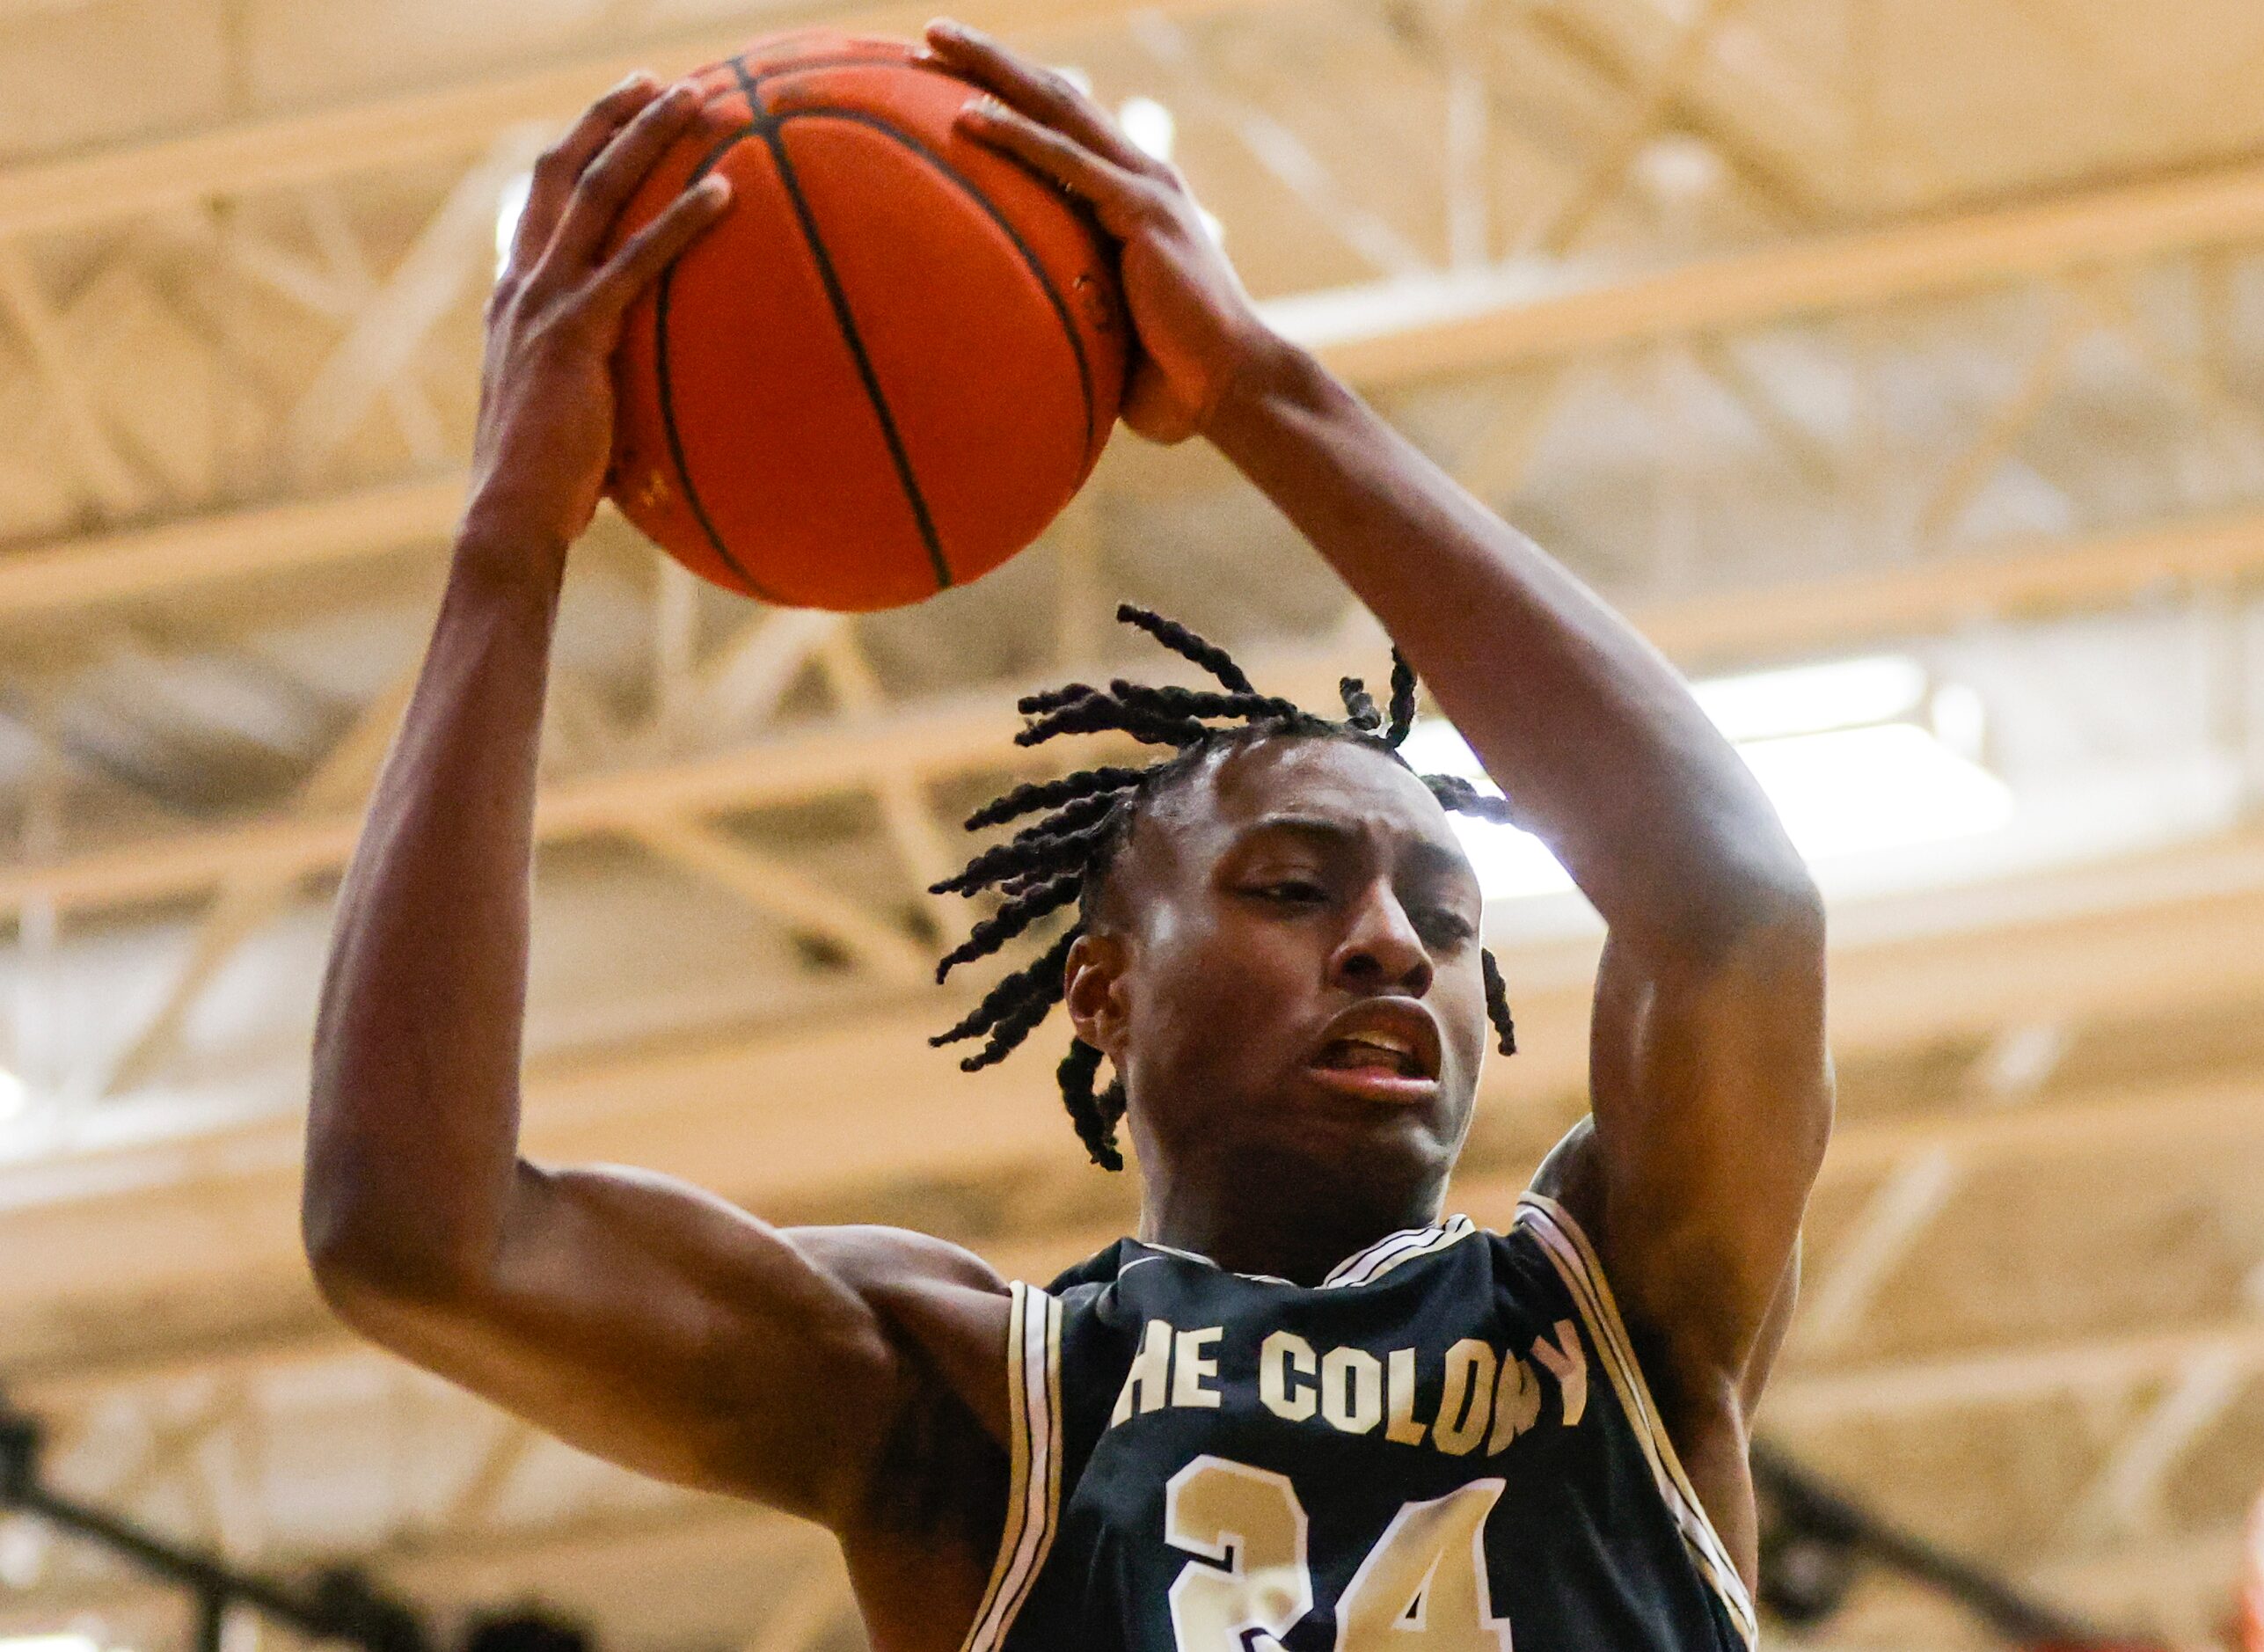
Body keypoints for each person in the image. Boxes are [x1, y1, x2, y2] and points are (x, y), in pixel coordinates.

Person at [303, 21, 1831, 1652]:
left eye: (1449, 919)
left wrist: (1262, 384)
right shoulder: (976, 1395)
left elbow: (1733, 911)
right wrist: (507, 545)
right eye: (1294, 884)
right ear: (1103, 989)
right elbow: (419, 1238)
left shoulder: (1621, 1311)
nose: (1391, 938)